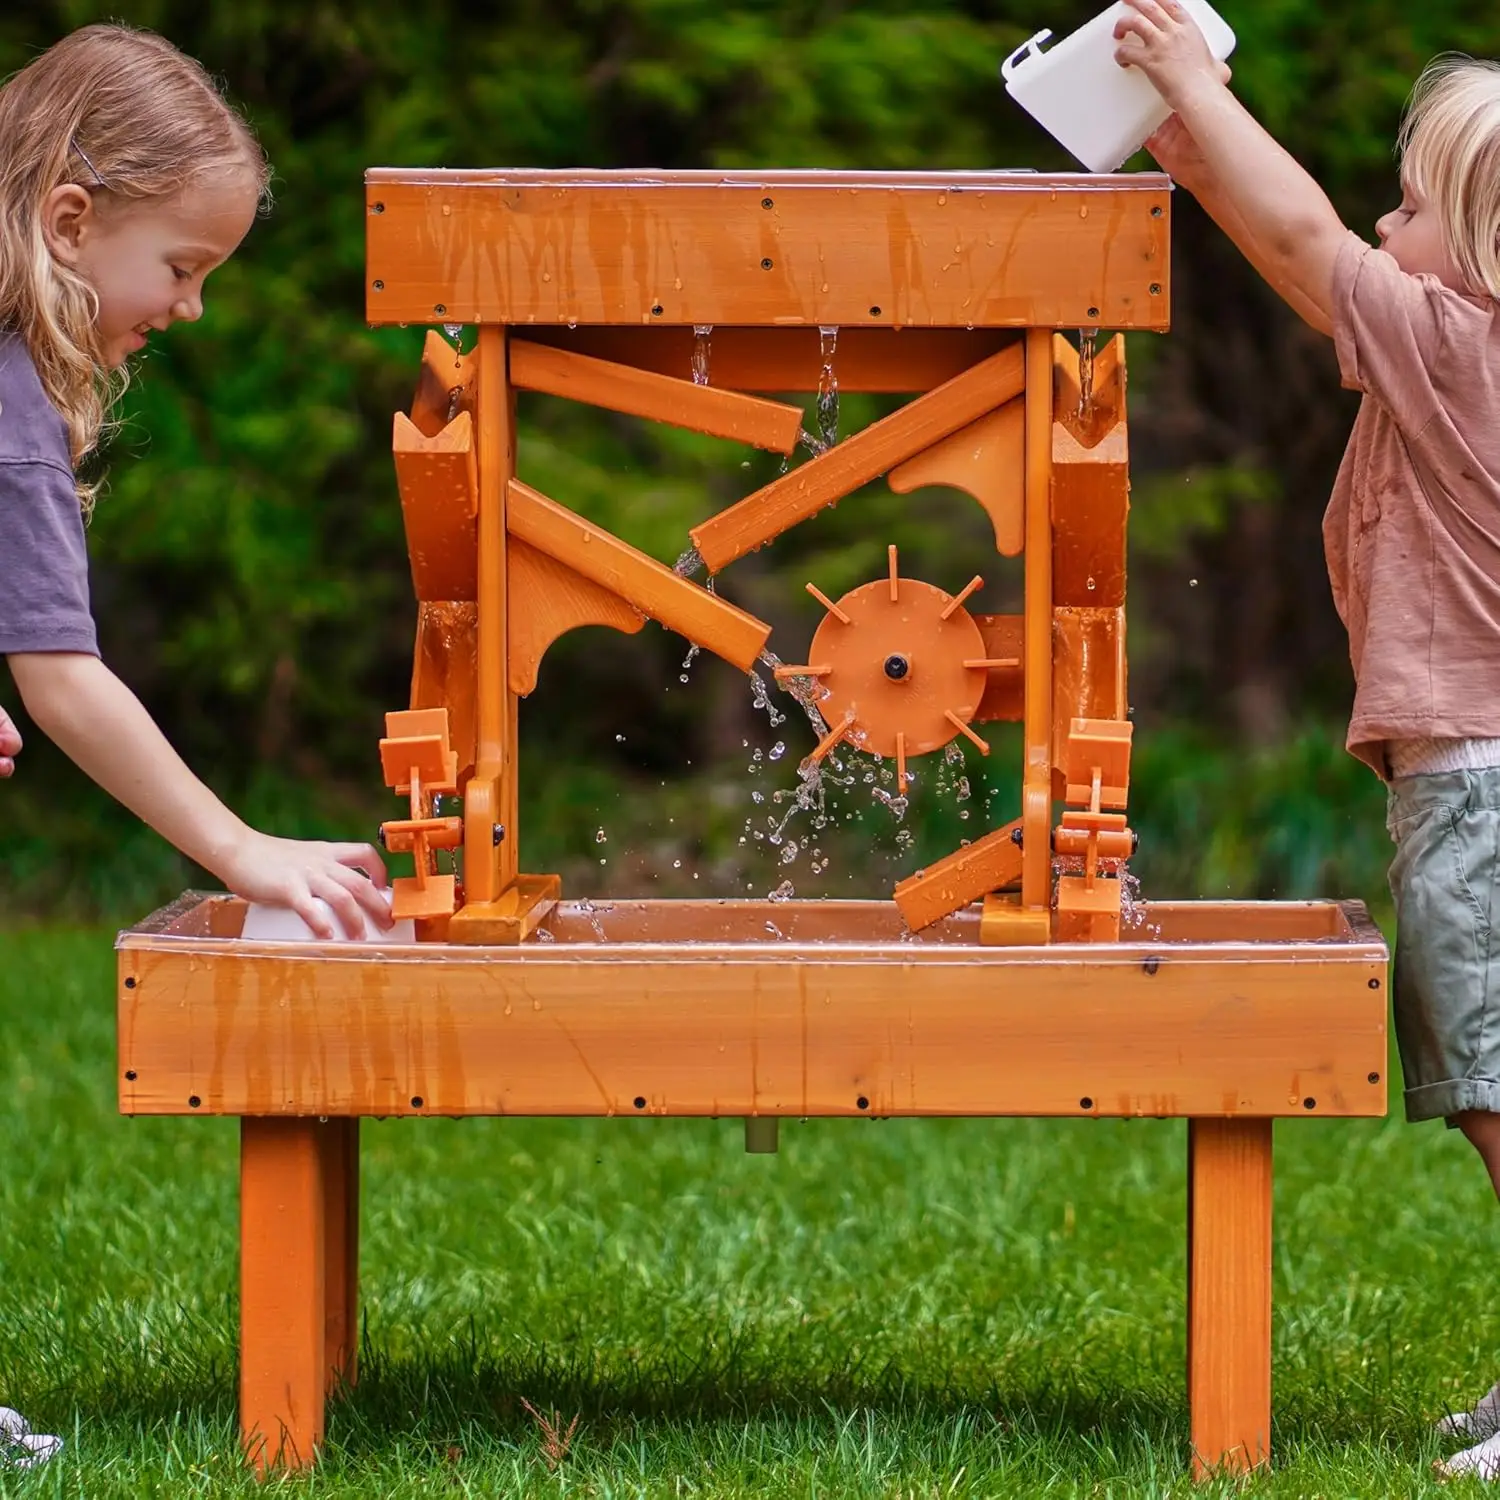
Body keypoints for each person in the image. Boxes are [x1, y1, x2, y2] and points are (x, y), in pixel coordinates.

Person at [1113, 0, 1500, 1479]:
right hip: (1467, 782)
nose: (1378, 224)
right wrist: (1186, 141)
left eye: (1408, 205)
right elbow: (1290, 240)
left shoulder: (1463, 353)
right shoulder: (1455, 349)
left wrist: (1195, 88)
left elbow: (1299, 244)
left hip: (1482, 790)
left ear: (1479, 248)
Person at [0, 24, 389, 940]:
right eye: (182, 268)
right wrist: (238, 847)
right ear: (69, 223)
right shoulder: (14, 413)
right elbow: (61, 682)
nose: (192, 306)